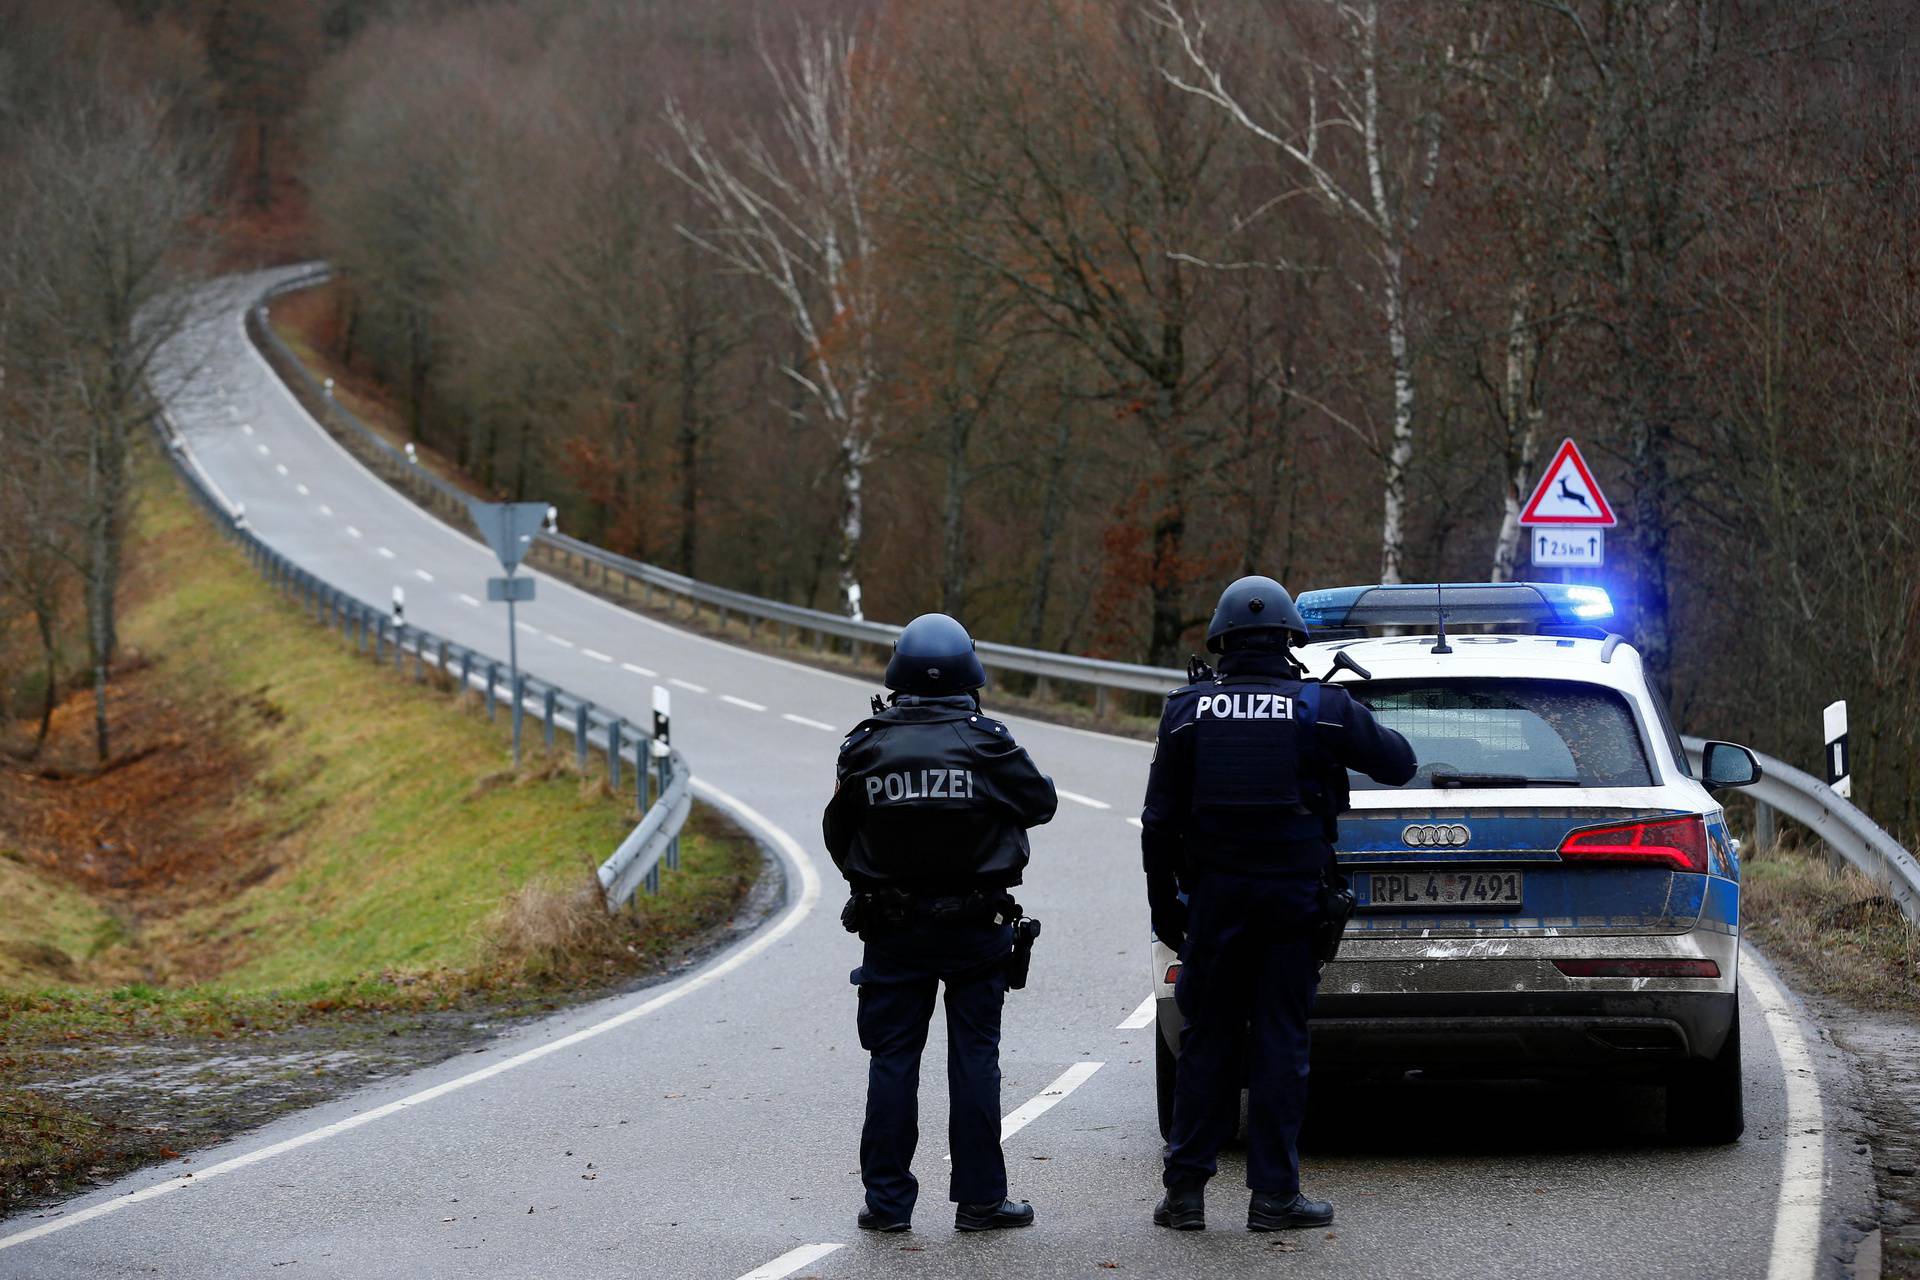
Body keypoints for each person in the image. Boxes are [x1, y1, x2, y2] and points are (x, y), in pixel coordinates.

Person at [1142, 576, 1415, 1233]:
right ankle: (1273, 1197)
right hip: (1292, 905)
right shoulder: (1321, 708)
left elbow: (1157, 824)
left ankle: (1185, 1196)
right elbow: (1400, 765)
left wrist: (1165, 912)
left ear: (1222, 643)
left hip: (1213, 902)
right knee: (1278, 1044)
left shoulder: (1186, 712)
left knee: (1206, 1042)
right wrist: (1346, 711)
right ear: (1292, 640)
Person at [823, 613, 1058, 1235]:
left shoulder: (865, 744)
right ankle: (981, 1202)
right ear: (970, 672)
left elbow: (839, 831)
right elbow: (1042, 803)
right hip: (976, 927)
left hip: (892, 928)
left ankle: (887, 1205)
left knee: (892, 1061)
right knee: (975, 1058)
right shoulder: (989, 742)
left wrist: (870, 884)